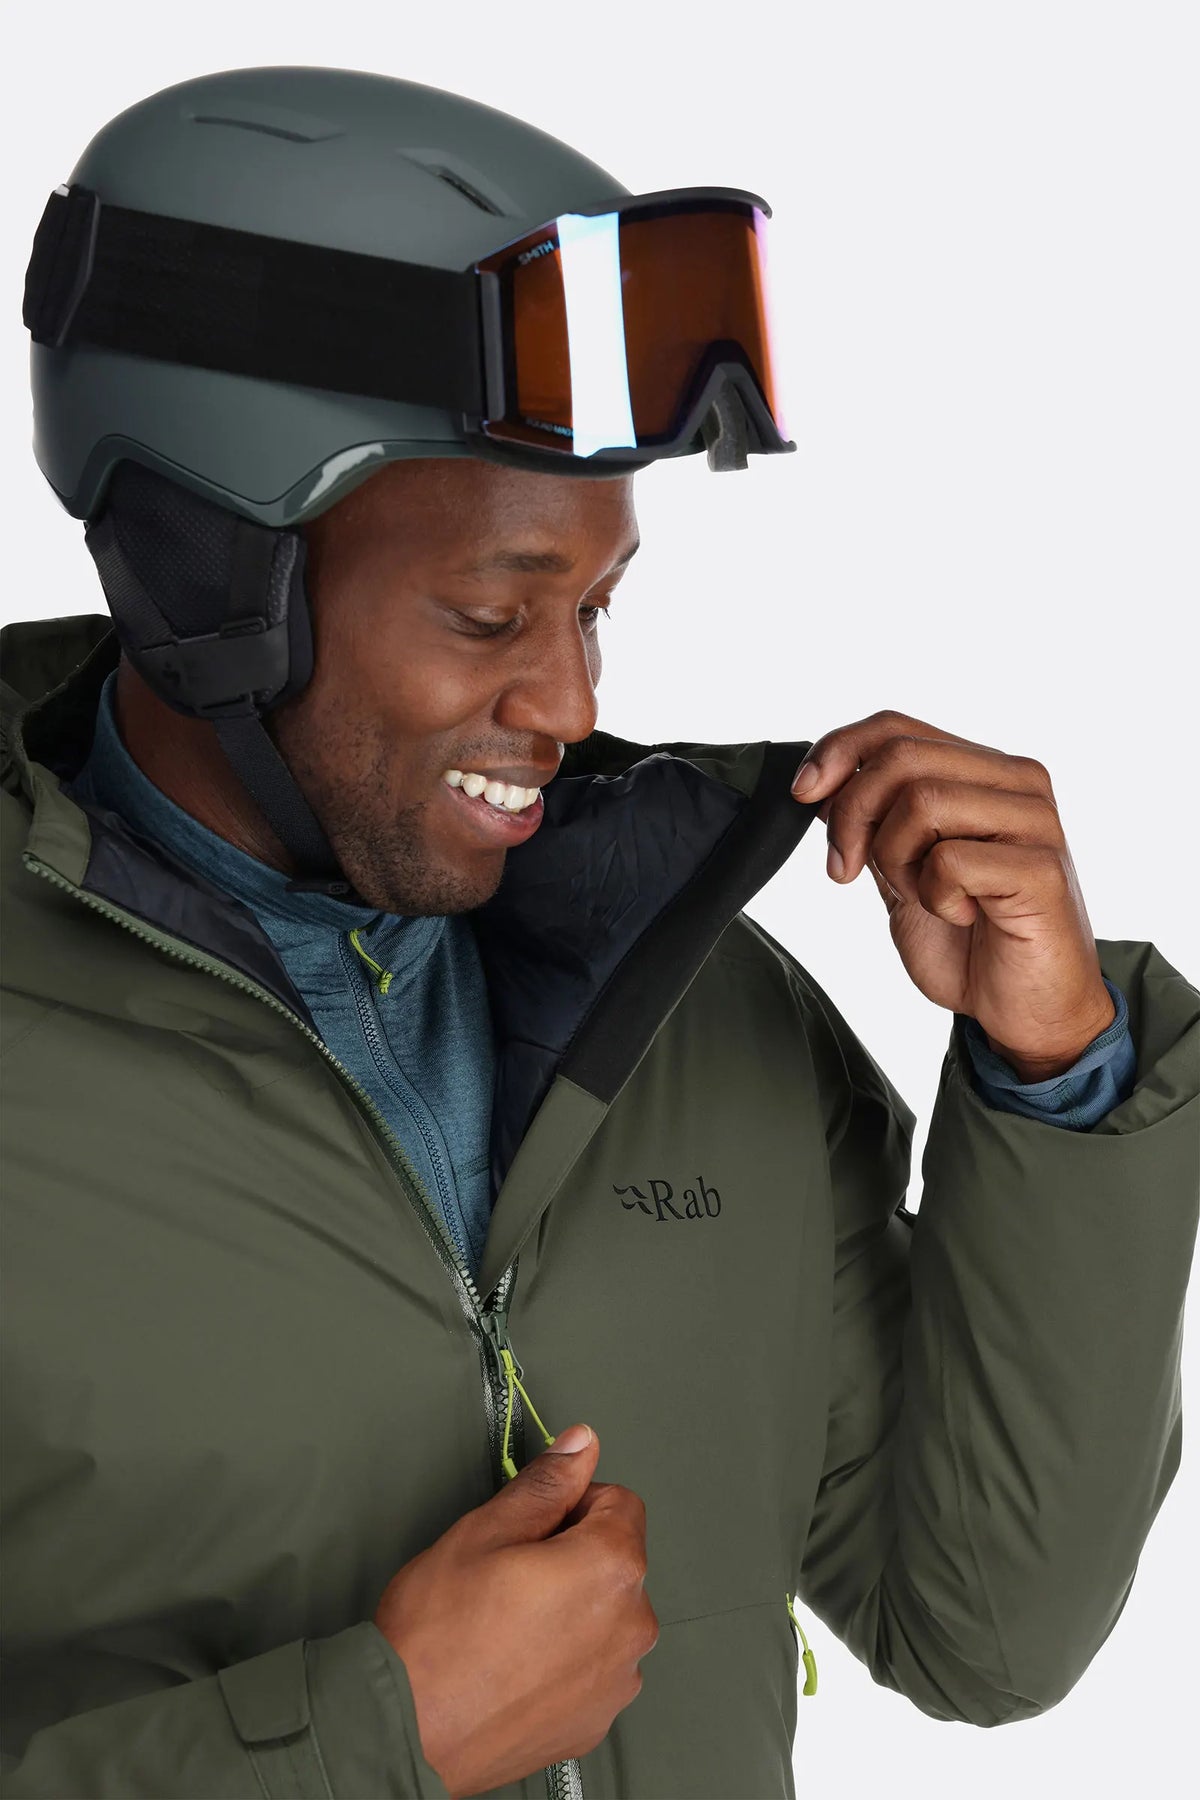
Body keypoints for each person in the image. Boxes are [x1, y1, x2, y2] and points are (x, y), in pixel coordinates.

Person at [1, 63, 1196, 1800]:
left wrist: (1056, 1074)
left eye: (598, 607)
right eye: (490, 615)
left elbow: (984, 1630)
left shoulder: (695, 1009)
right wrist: (375, 1742)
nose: (568, 703)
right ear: (206, 577)